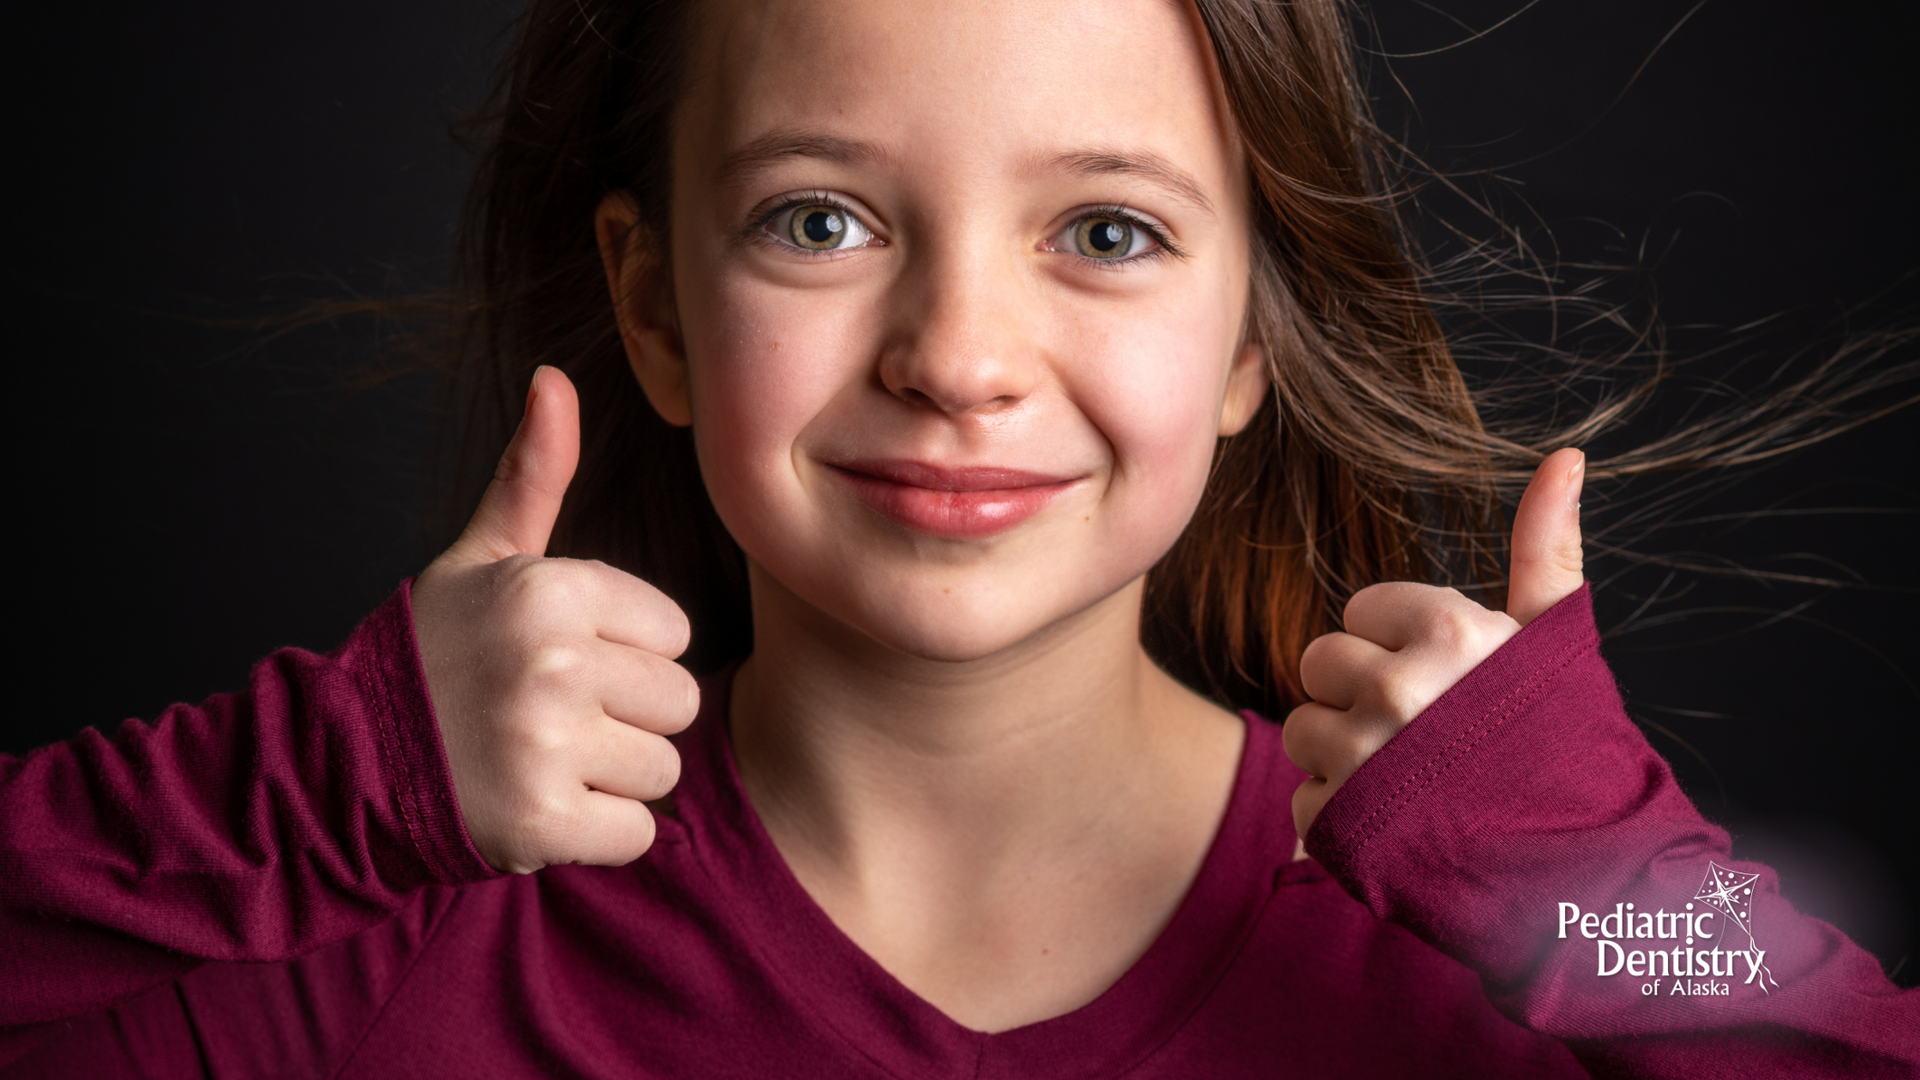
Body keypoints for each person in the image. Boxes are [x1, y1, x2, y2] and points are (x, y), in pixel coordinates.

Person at [2, 0, 1915, 1075]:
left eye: (1107, 233)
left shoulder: (1510, 956)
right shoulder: (364, 930)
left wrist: (1597, 892)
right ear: (655, 306)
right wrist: (294, 798)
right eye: (822, 222)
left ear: (1257, 335)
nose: (961, 361)